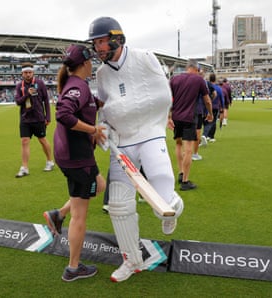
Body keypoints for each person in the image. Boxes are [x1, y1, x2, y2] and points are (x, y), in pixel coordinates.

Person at [87, 16, 184, 282]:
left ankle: (174, 207)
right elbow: (105, 106)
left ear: (117, 38)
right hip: (123, 144)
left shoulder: (145, 57)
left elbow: (163, 95)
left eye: (102, 42)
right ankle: (132, 260)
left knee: (162, 193)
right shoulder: (102, 73)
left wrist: (139, 115)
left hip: (150, 133)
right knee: (118, 205)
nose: (98, 48)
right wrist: (105, 128)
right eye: (95, 43)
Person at [43, 44, 106, 282]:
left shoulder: (78, 86)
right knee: (81, 214)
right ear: (85, 64)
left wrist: (101, 105)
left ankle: (58, 214)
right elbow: (64, 114)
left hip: (74, 155)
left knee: (98, 186)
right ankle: (73, 268)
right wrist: (93, 130)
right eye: (91, 62)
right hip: (77, 157)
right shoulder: (77, 86)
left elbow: (89, 103)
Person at [169, 59, 214, 191]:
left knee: (178, 144)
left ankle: (181, 172)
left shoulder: (174, 79)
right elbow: (207, 100)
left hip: (176, 117)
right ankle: (185, 181)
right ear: (196, 68)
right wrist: (210, 113)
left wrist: (168, 116)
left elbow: (167, 99)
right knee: (188, 149)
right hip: (189, 117)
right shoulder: (198, 80)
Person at [14, 62, 54, 178]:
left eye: (30, 72)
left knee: (42, 139)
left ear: (33, 72)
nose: (27, 74)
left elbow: (46, 100)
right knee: (24, 141)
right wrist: (27, 94)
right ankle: (25, 167)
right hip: (25, 118)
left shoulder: (40, 83)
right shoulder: (19, 86)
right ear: (22, 73)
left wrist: (48, 116)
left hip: (38, 117)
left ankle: (49, 161)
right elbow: (18, 102)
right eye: (25, 72)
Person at [203, 73, 223, 142]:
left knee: (206, 121)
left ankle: (206, 135)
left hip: (206, 106)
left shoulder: (206, 85)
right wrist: (222, 107)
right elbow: (222, 99)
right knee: (213, 122)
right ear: (215, 79)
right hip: (215, 107)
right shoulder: (218, 88)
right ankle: (210, 136)